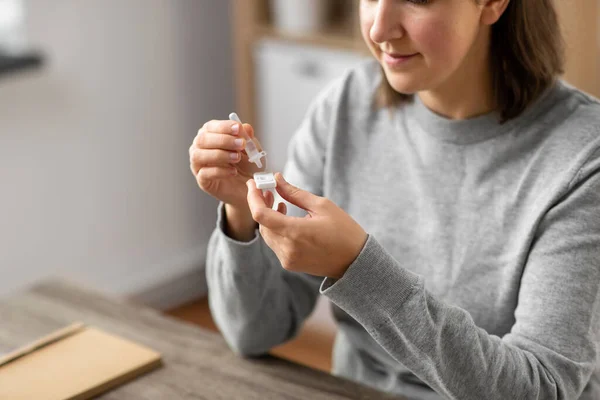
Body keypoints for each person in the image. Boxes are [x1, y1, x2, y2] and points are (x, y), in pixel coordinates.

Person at [189, 0, 600, 398]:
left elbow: (543, 388)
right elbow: (253, 330)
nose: (378, 28)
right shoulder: (346, 106)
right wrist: (241, 212)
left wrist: (359, 269)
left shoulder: (582, 157)